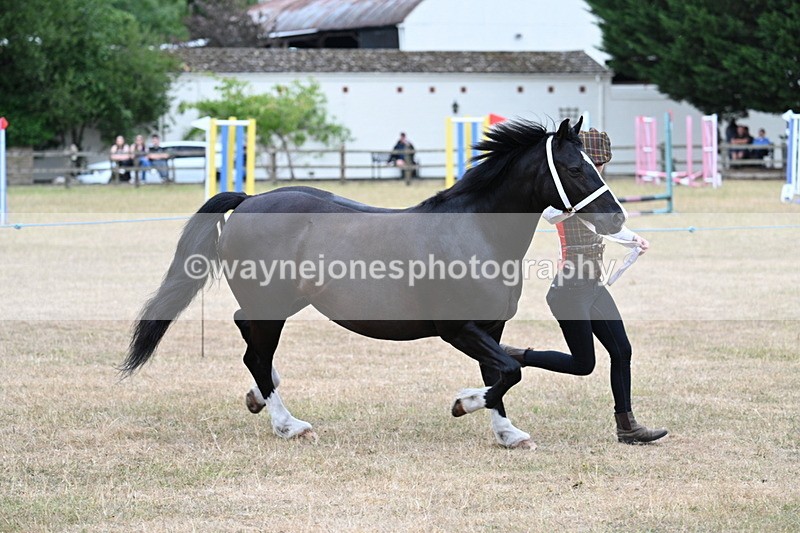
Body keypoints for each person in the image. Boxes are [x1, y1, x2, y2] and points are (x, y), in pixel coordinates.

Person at [501, 128, 668, 445]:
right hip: (569, 290)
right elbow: (551, 214)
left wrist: (633, 238)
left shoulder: (591, 194)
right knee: (583, 364)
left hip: (592, 285)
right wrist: (574, 208)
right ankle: (517, 355)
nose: (600, 170)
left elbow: (604, 226)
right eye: (598, 163)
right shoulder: (566, 195)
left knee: (622, 350)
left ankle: (627, 426)